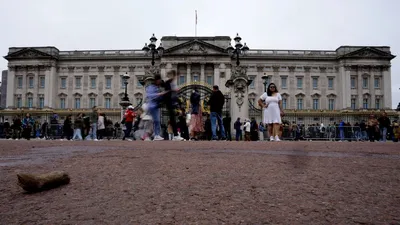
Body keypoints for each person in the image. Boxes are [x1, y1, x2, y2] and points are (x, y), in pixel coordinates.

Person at [163, 70, 184, 141]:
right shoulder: (168, 83)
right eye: (175, 76)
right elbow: (167, 92)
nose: (176, 77)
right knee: (172, 118)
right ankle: (175, 135)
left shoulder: (171, 82)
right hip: (169, 102)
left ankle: (175, 135)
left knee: (173, 118)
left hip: (172, 102)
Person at [146, 74, 168, 141]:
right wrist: (159, 94)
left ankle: (155, 135)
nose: (160, 82)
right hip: (152, 106)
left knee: (156, 121)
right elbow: (149, 95)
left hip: (156, 106)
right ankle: (154, 135)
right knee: (156, 121)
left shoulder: (156, 87)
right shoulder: (151, 87)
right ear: (156, 80)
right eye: (159, 80)